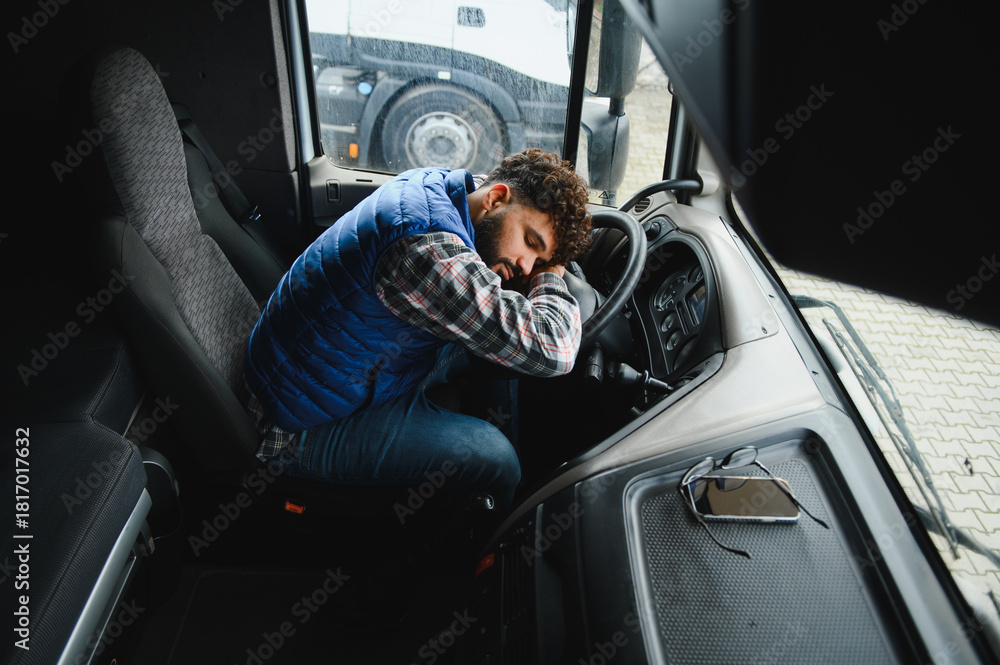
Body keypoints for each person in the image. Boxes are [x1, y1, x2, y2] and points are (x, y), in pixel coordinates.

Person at [244, 148, 592, 514]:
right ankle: (494, 529)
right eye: (531, 243)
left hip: (335, 370)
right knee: (497, 457)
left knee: (503, 349)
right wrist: (551, 277)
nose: (527, 267)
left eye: (539, 262)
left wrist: (541, 268)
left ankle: (487, 479)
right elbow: (555, 351)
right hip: (296, 425)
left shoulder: (442, 188)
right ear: (496, 197)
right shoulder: (426, 250)